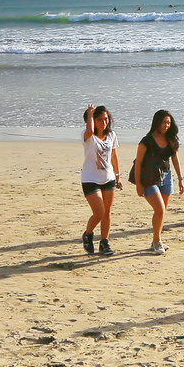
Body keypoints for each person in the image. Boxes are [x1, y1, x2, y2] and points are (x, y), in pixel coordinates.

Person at [134, 109, 184, 254]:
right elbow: (138, 163)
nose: (166, 125)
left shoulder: (171, 140)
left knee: (161, 212)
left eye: (168, 123)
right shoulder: (147, 141)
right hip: (149, 178)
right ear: (157, 122)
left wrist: (180, 179)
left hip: (166, 177)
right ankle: (157, 242)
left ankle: (156, 239)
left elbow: (175, 160)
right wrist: (138, 184)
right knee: (160, 209)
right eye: (163, 122)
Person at [81, 105, 121, 255]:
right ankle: (88, 234)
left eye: (106, 119)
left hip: (108, 178)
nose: (104, 122)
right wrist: (90, 114)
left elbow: (114, 156)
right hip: (90, 179)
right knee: (99, 212)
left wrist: (117, 176)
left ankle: (104, 242)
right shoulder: (88, 136)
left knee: (107, 212)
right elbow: (89, 131)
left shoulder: (111, 135)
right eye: (100, 119)